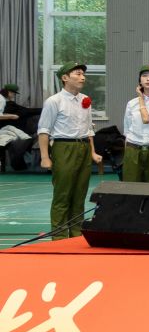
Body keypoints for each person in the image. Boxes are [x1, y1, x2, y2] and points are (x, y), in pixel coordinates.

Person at [37, 63, 100, 237]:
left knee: (80, 193)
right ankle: (59, 235)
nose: (83, 77)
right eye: (78, 74)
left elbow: (89, 129)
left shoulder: (85, 100)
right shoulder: (54, 101)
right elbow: (43, 130)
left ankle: (76, 233)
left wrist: (92, 152)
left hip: (83, 147)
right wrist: (45, 157)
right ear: (65, 78)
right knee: (62, 194)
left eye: (83, 74)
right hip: (64, 147)